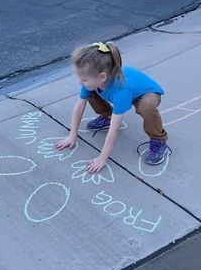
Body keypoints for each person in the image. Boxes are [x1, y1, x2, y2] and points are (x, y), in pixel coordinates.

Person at [56, 41, 171, 172]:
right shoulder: (94, 80)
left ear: (102, 77)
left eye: (84, 79)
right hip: (125, 90)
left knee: (146, 107)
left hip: (146, 93)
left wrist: (103, 158)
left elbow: (114, 129)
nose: (80, 82)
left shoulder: (121, 90)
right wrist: (72, 135)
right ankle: (107, 117)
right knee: (90, 91)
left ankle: (159, 140)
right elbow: (79, 105)